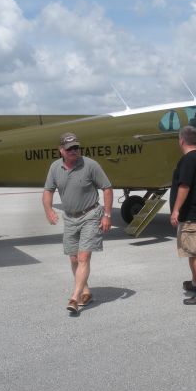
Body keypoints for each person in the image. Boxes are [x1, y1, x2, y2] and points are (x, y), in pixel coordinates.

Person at [43, 132, 113, 315]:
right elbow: (48, 191)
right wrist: (49, 210)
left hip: (90, 214)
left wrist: (106, 214)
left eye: (76, 147)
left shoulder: (90, 165)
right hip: (70, 218)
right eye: (69, 148)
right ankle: (86, 292)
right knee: (73, 258)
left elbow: (107, 188)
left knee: (83, 258)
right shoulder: (55, 168)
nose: (74, 151)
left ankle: (74, 297)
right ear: (61, 151)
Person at [169, 125, 196, 305]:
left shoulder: (188, 160)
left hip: (193, 214)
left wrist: (176, 209)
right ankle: (195, 282)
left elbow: (184, 186)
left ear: (181, 140)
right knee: (190, 251)